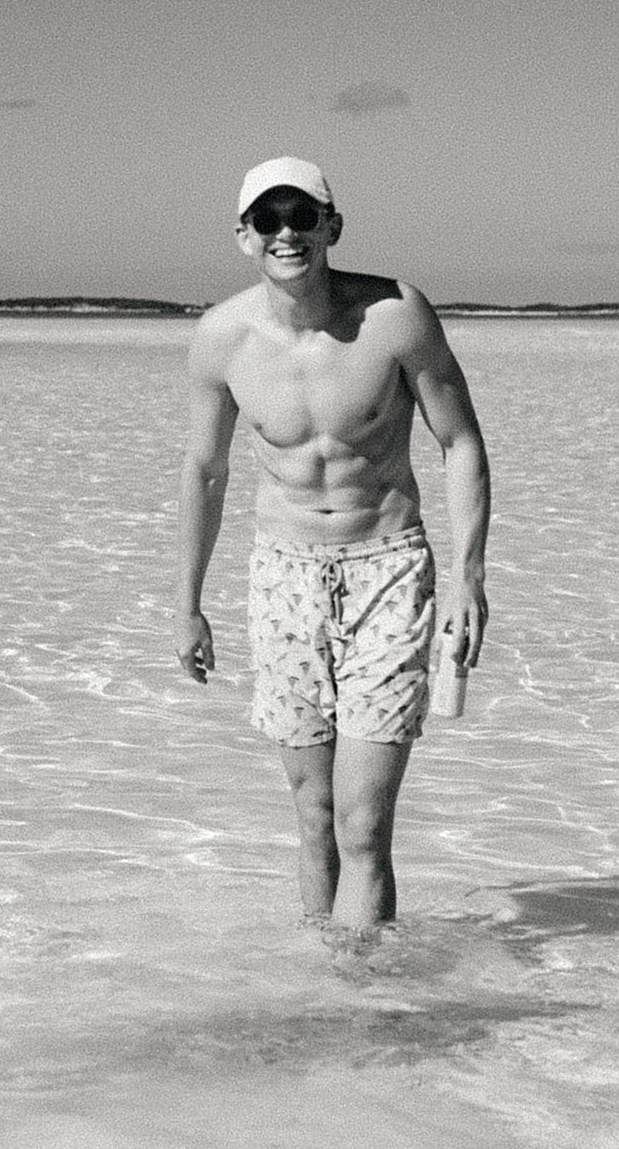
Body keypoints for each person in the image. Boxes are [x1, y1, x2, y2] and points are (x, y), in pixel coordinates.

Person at [175, 157, 490, 930]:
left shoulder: (395, 315)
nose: (287, 233)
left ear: (331, 226)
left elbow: (460, 443)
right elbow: (204, 470)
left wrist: (469, 577)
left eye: (302, 217)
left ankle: (369, 1007)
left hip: (387, 566)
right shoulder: (221, 337)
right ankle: (327, 997)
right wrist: (186, 604)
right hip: (283, 575)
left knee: (361, 825)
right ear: (244, 237)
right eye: (268, 221)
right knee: (314, 815)